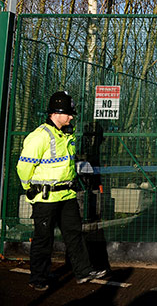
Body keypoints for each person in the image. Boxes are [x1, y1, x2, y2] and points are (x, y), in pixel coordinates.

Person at [16, 91, 107, 291]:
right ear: (56, 113)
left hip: (66, 194)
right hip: (45, 197)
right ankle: (38, 277)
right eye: (68, 113)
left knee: (74, 233)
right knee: (43, 238)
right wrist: (29, 189)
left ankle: (83, 271)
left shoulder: (67, 134)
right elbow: (23, 167)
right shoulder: (39, 137)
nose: (72, 117)